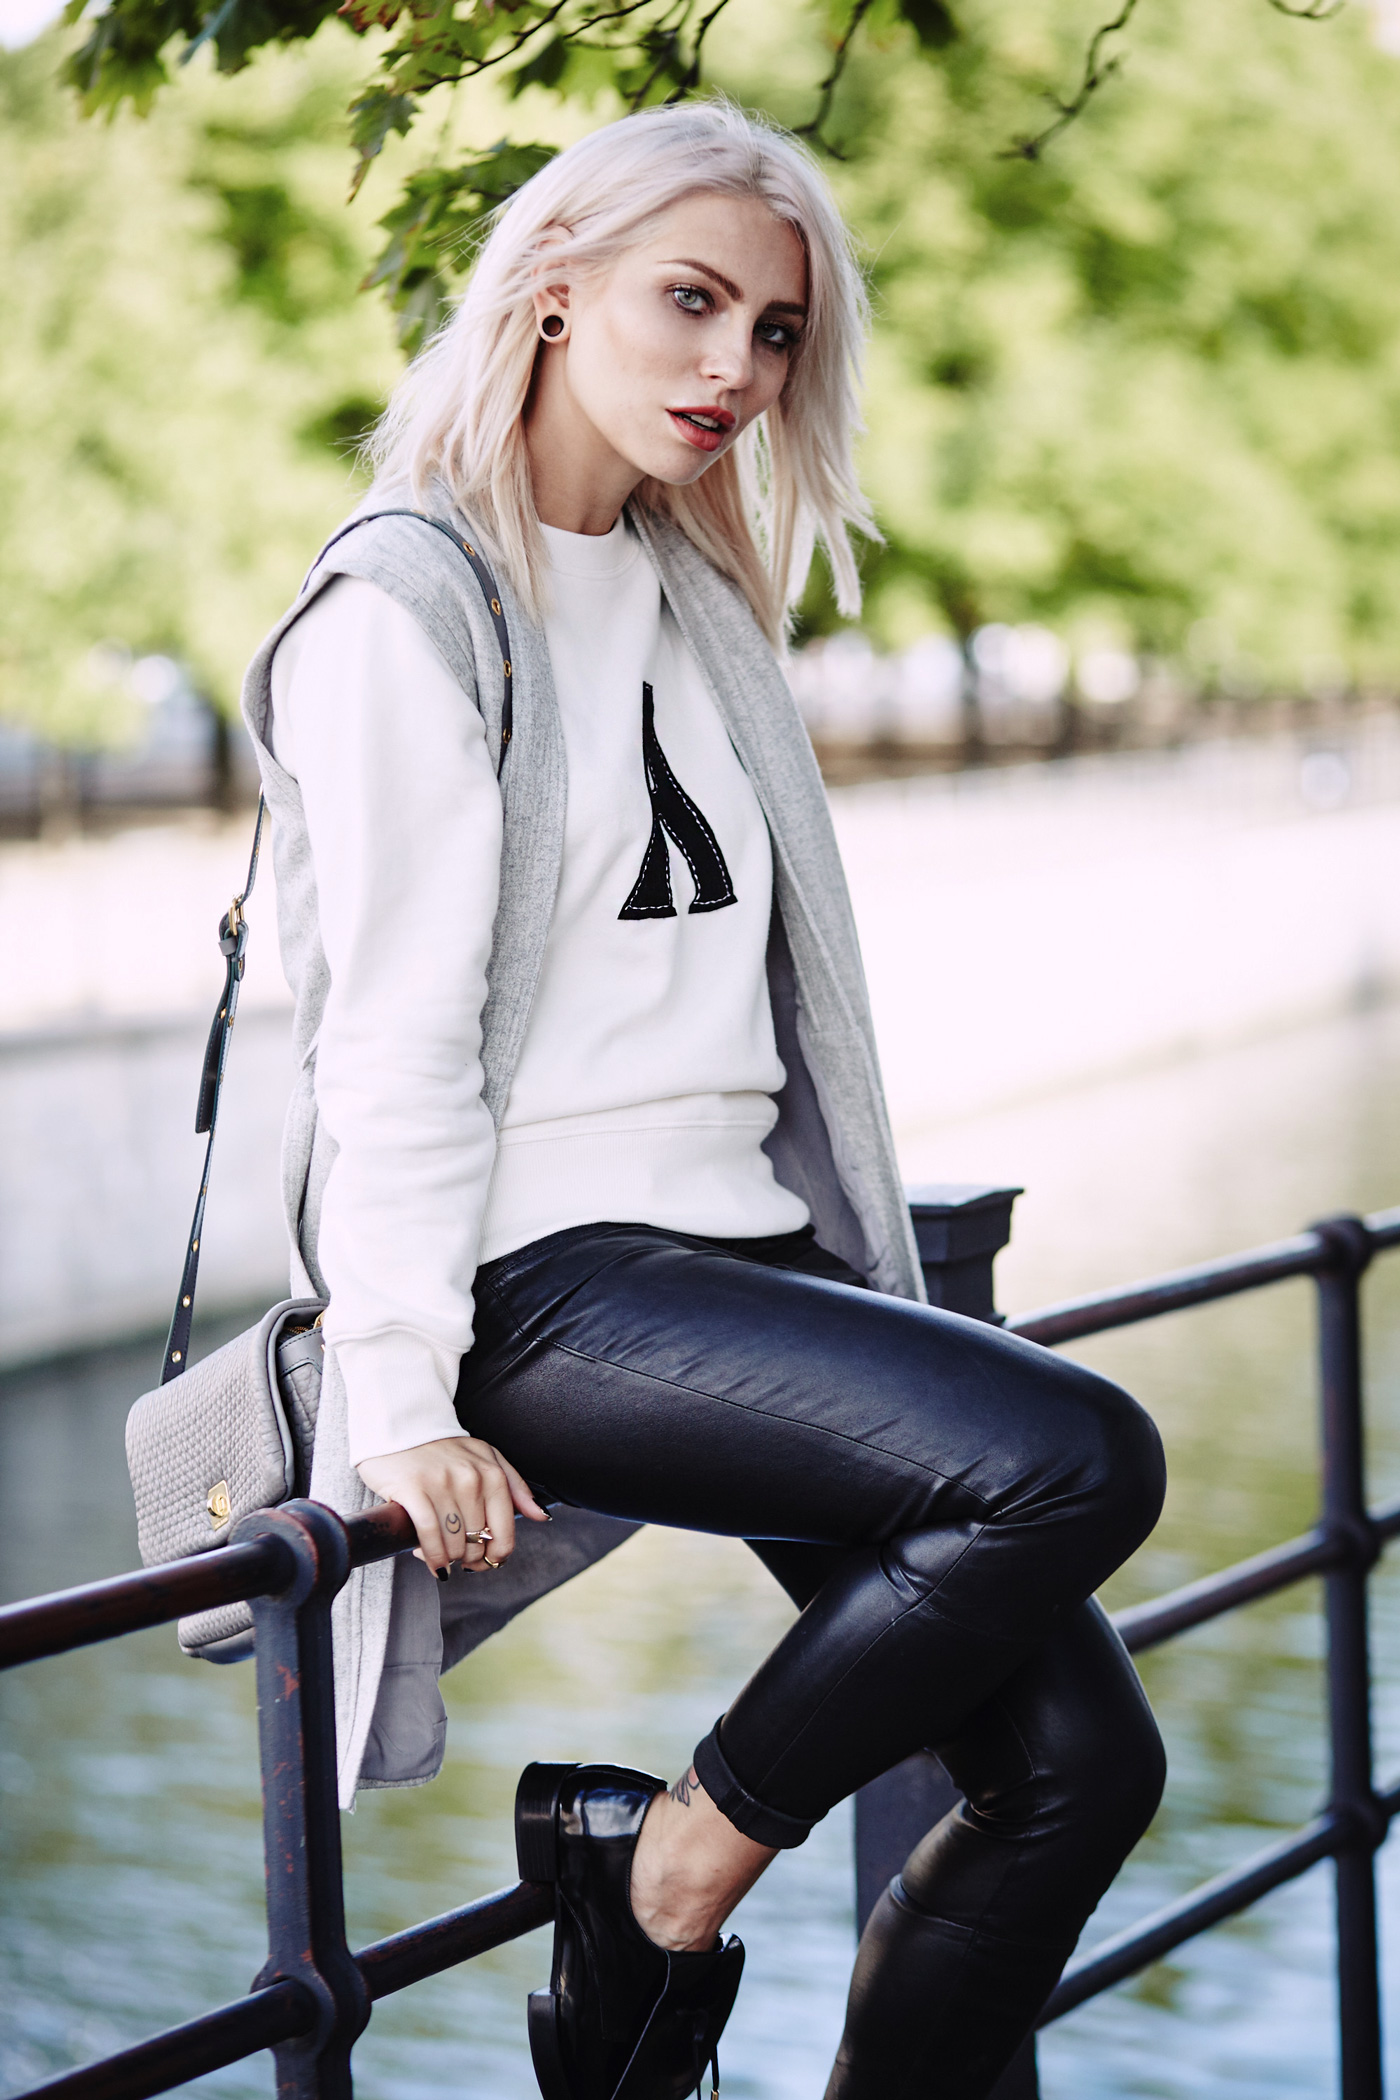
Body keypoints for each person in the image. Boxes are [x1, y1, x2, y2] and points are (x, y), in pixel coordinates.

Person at [241, 99, 1167, 2100]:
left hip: (733, 1246)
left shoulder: (683, 589)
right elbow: (385, 1043)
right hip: (552, 1282)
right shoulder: (407, 609)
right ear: (550, 292)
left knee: (1080, 1770)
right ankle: (667, 1875)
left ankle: (668, 1914)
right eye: (690, 301)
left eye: (772, 331)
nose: (735, 367)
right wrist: (395, 1396)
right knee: (1071, 1457)